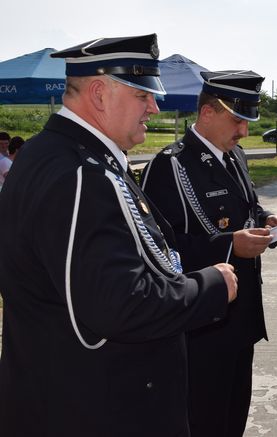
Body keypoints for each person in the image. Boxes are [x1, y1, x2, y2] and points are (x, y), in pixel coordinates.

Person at [0, 34, 237, 437]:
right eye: (142, 94)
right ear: (98, 93)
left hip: (59, 395)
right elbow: (120, 305)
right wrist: (211, 285)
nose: (154, 106)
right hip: (100, 406)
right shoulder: (83, 175)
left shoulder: (49, 154)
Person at [141, 69, 277, 437]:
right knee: (203, 422)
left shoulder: (235, 157)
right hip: (201, 327)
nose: (244, 132)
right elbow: (159, 248)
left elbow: (246, 206)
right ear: (207, 113)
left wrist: (268, 220)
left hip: (242, 318)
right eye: (237, 120)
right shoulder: (170, 166)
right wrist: (228, 245)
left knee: (233, 421)